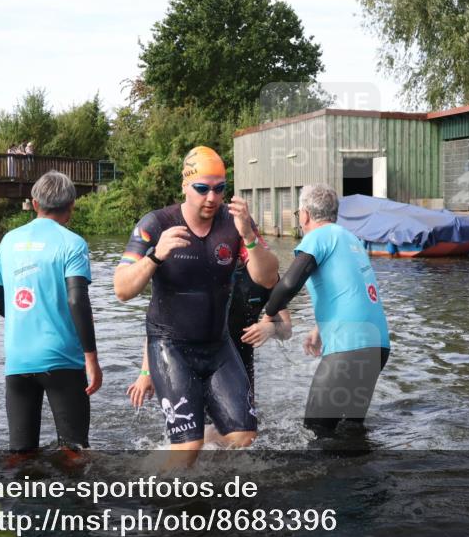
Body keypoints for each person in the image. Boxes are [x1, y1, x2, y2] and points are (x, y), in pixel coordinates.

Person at [113, 146, 278, 463]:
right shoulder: (156, 223)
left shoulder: (235, 224)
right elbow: (122, 289)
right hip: (170, 347)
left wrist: (251, 238)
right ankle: (162, 498)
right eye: (202, 188)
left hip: (217, 346)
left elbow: (268, 279)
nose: (212, 198)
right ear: (185, 186)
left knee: (244, 437)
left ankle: (189, 445)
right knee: (188, 449)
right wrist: (156, 256)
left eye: (220, 189)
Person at [259, 183, 390, 436]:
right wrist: (319, 329)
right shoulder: (351, 239)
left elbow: (288, 284)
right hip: (378, 346)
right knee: (351, 431)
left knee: (316, 432)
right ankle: (364, 476)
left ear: (305, 214)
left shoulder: (317, 236)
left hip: (349, 348)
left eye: (298, 216)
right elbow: (351, 289)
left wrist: (269, 315)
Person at [0, 170, 102, 452]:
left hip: (18, 359)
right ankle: (73, 496)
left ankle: (18, 494)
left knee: (20, 453)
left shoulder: (8, 241)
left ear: (35, 203)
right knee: (74, 451)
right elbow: (77, 300)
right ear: (71, 206)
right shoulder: (72, 244)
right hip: (62, 358)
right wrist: (91, 359)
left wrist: (26, 316)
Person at [126, 262, 293, 413]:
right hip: (190, 361)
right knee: (193, 432)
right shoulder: (197, 268)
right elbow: (161, 324)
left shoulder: (265, 274)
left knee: (245, 435)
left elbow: (286, 329)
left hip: (240, 367)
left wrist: (270, 328)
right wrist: (146, 372)